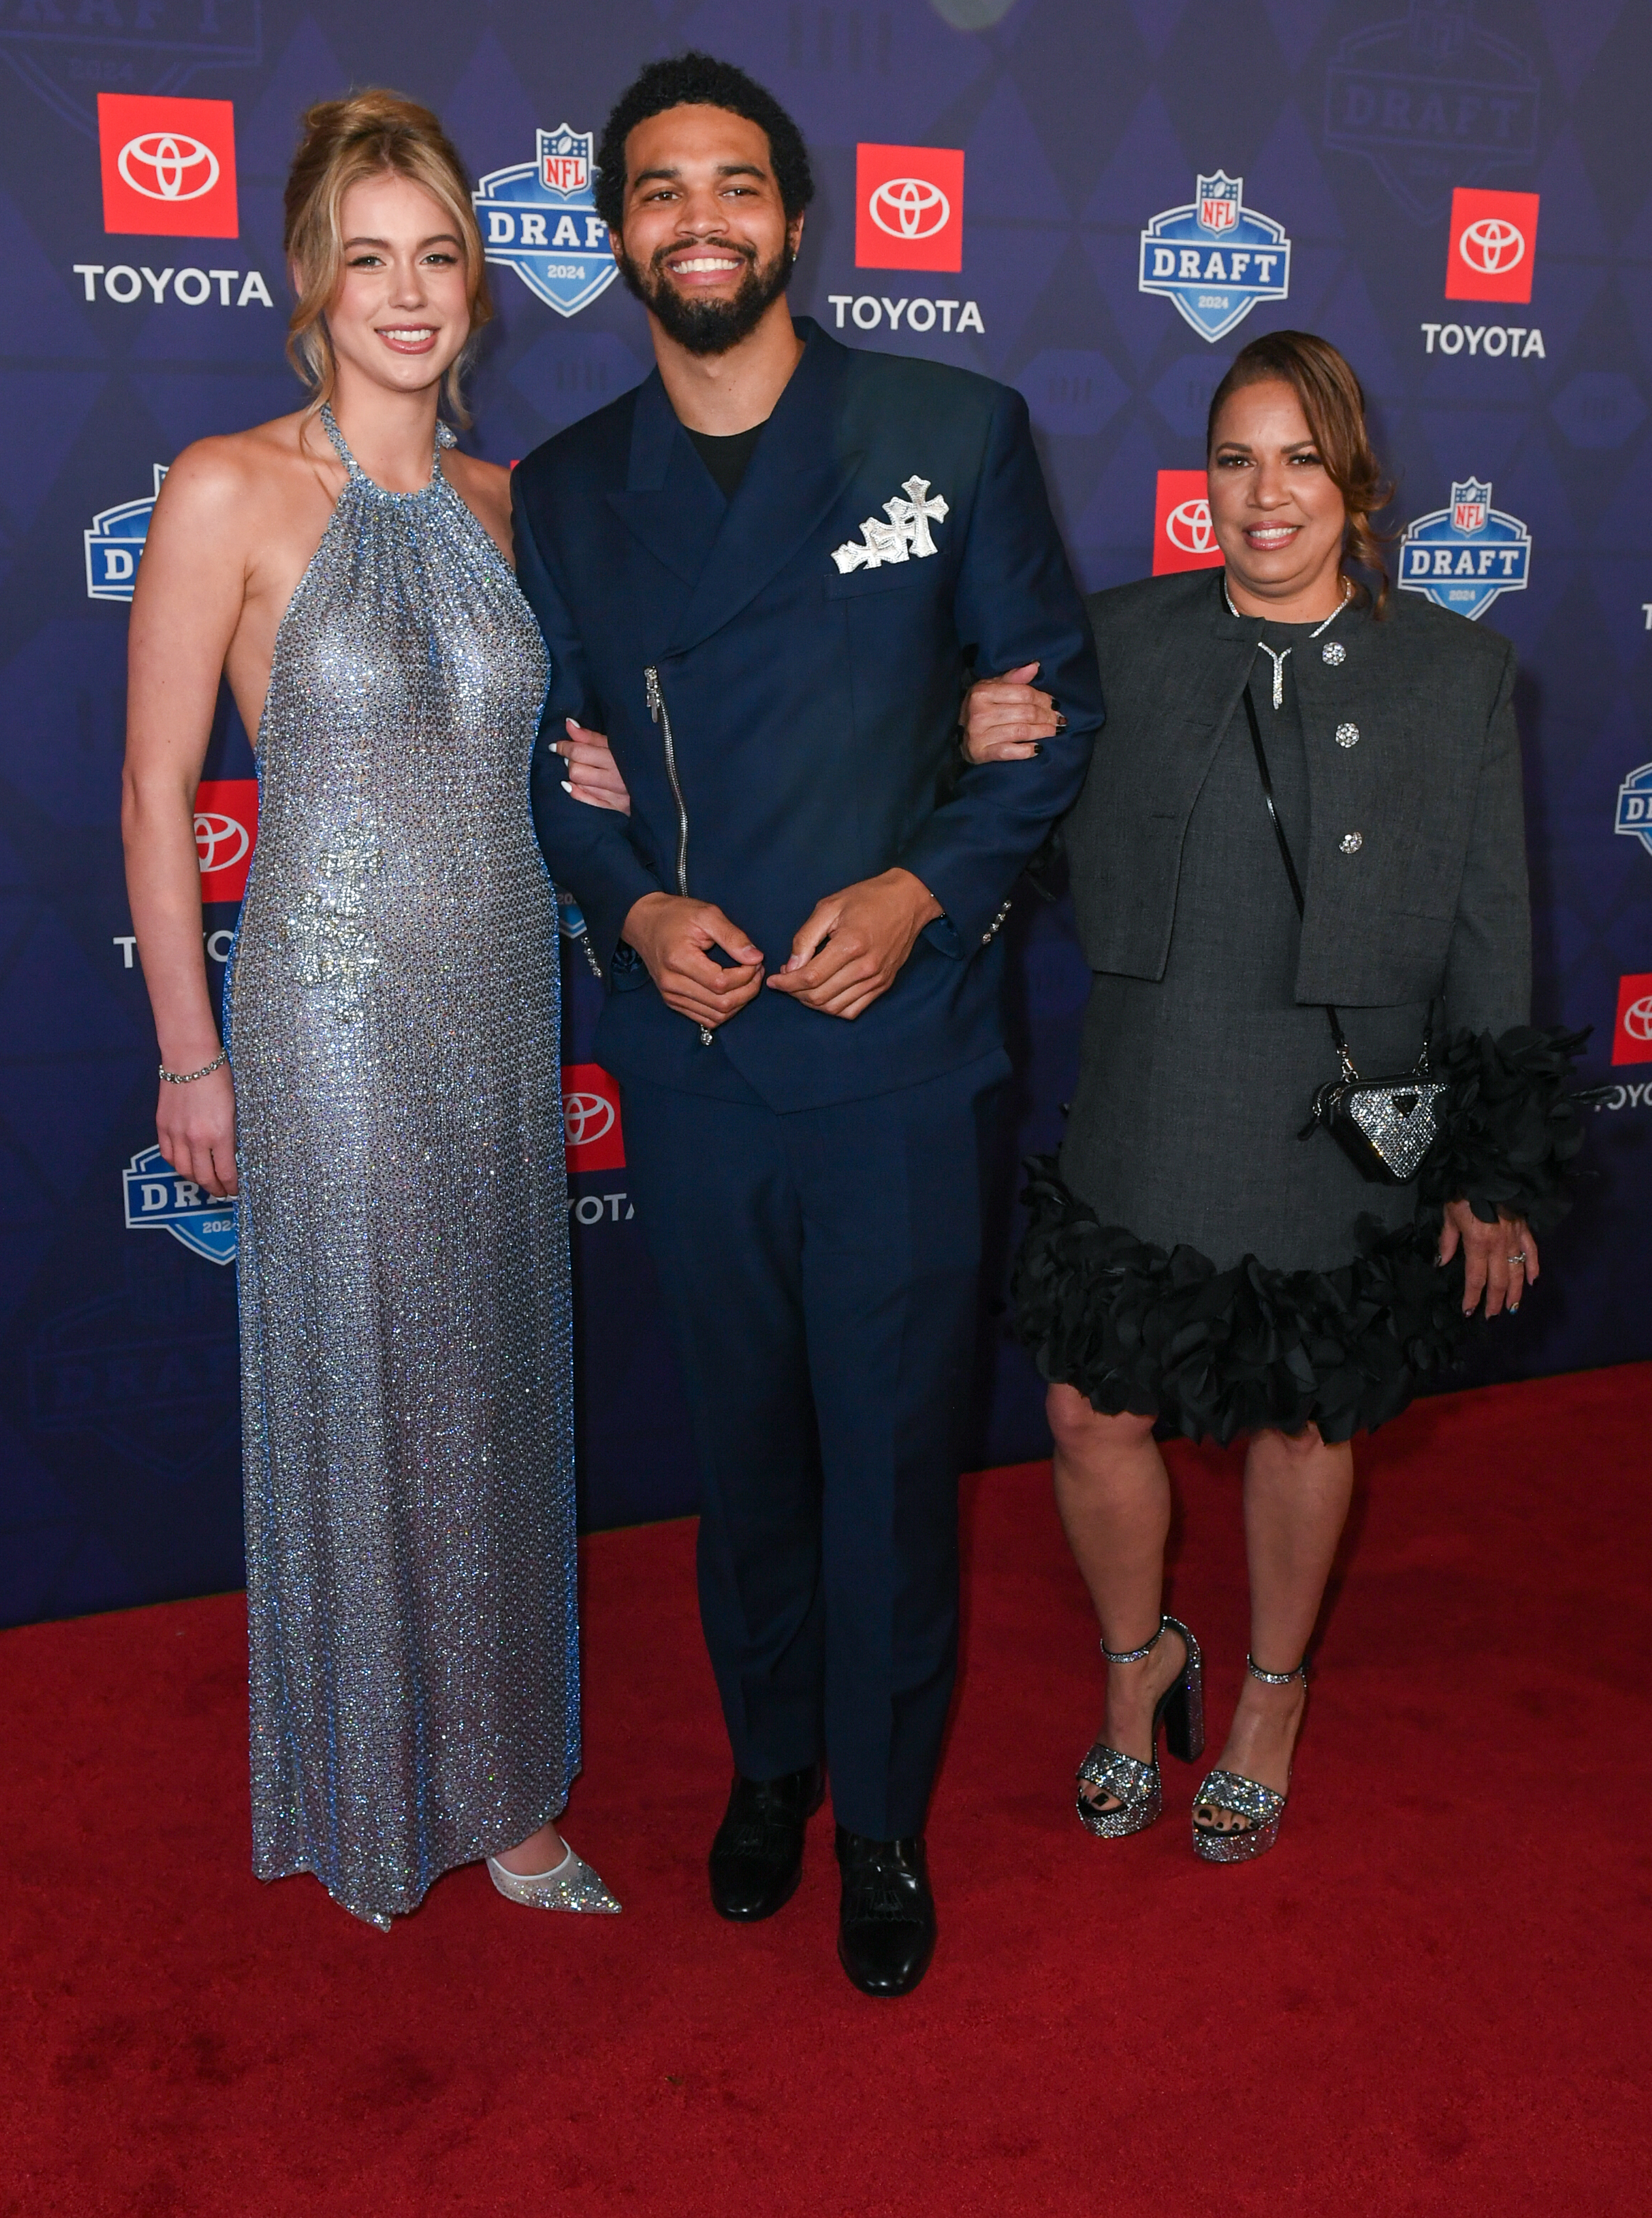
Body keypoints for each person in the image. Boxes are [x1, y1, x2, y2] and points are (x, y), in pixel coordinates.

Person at [511, 53, 1102, 1994]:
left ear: (797, 220)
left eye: (737, 186)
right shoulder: (574, 488)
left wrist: (922, 887)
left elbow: (1050, 706)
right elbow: (559, 764)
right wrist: (642, 904)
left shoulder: (951, 426)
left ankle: (884, 1821)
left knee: (888, 1461)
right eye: (661, 189)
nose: (702, 218)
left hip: (903, 1060)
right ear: (613, 235)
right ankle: (769, 1772)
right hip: (695, 1065)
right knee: (746, 1458)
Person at [963, 330, 1583, 1861]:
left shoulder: (1455, 673)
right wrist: (979, 751)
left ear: (1353, 482)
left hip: (1339, 1108)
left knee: (1308, 1422)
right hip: (1155, 1087)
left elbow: (1489, 935)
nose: (1263, 494)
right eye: (1234, 458)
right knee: (1085, 1407)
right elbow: (1013, 848)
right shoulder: (1113, 641)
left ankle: (1270, 1692)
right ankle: (1136, 1665)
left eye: (1298, 458)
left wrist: (1489, 1169)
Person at [121, 90, 618, 1929]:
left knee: (493, 1393)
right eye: (367, 259)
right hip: (324, 1014)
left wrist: (611, 788)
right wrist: (191, 1051)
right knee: (365, 1390)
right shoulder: (230, 484)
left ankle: (505, 1790)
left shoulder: (511, 507)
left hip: (496, 1009)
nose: (406, 295)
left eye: (438, 260)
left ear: (478, 292)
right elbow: (156, 794)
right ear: (309, 282)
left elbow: (538, 771)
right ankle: (367, 1775)